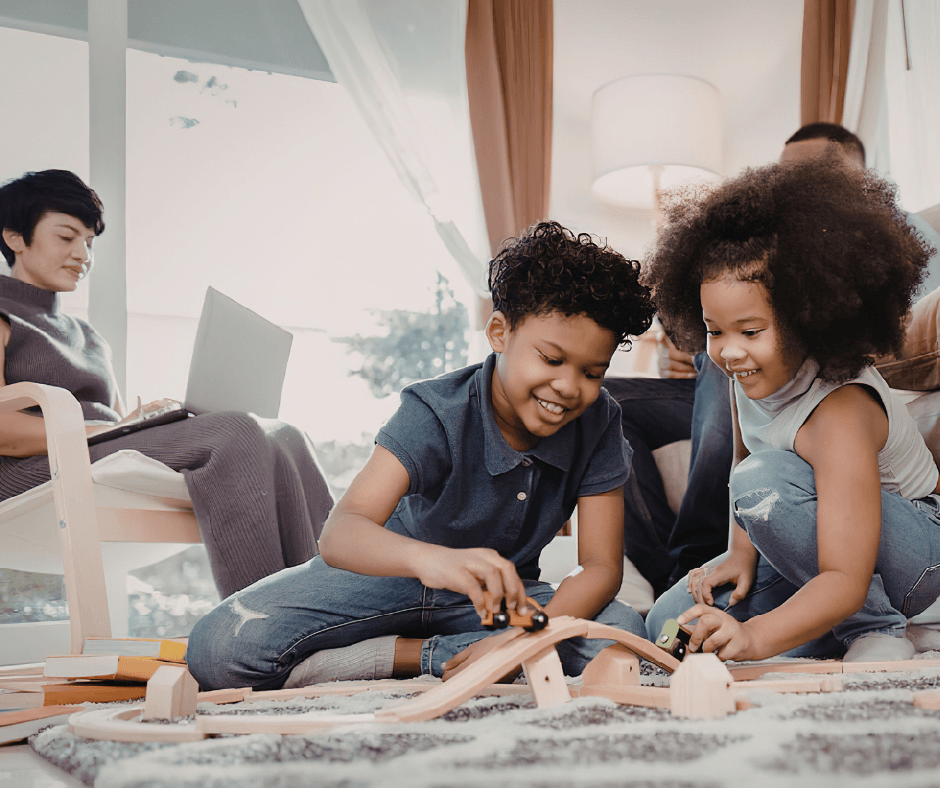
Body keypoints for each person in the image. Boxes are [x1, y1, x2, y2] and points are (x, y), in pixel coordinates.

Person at [185, 220, 657, 691]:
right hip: (384, 584)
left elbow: (600, 567)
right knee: (218, 647)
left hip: (492, 605)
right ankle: (406, 654)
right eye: (552, 360)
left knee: (622, 635)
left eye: (593, 372)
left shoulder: (599, 422)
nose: (570, 387)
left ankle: (467, 655)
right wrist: (430, 561)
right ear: (499, 332)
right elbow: (341, 532)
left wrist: (517, 639)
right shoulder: (435, 410)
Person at [608, 122, 940, 598]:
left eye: (815, 175)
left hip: (907, 529)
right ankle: (687, 570)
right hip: (775, 394)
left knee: (752, 429)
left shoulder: (890, 242)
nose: (794, 191)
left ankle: (868, 621)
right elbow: (743, 441)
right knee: (615, 401)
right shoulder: (743, 297)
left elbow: (896, 322)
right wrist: (698, 344)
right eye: (784, 175)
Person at [0, 169, 334, 599]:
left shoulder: (87, 336)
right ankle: (256, 626)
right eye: (67, 237)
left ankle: (326, 606)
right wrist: (111, 431)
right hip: (31, 470)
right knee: (234, 433)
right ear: (14, 238)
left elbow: (109, 420)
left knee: (286, 435)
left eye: (89, 242)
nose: (82, 254)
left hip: (91, 451)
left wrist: (137, 421)